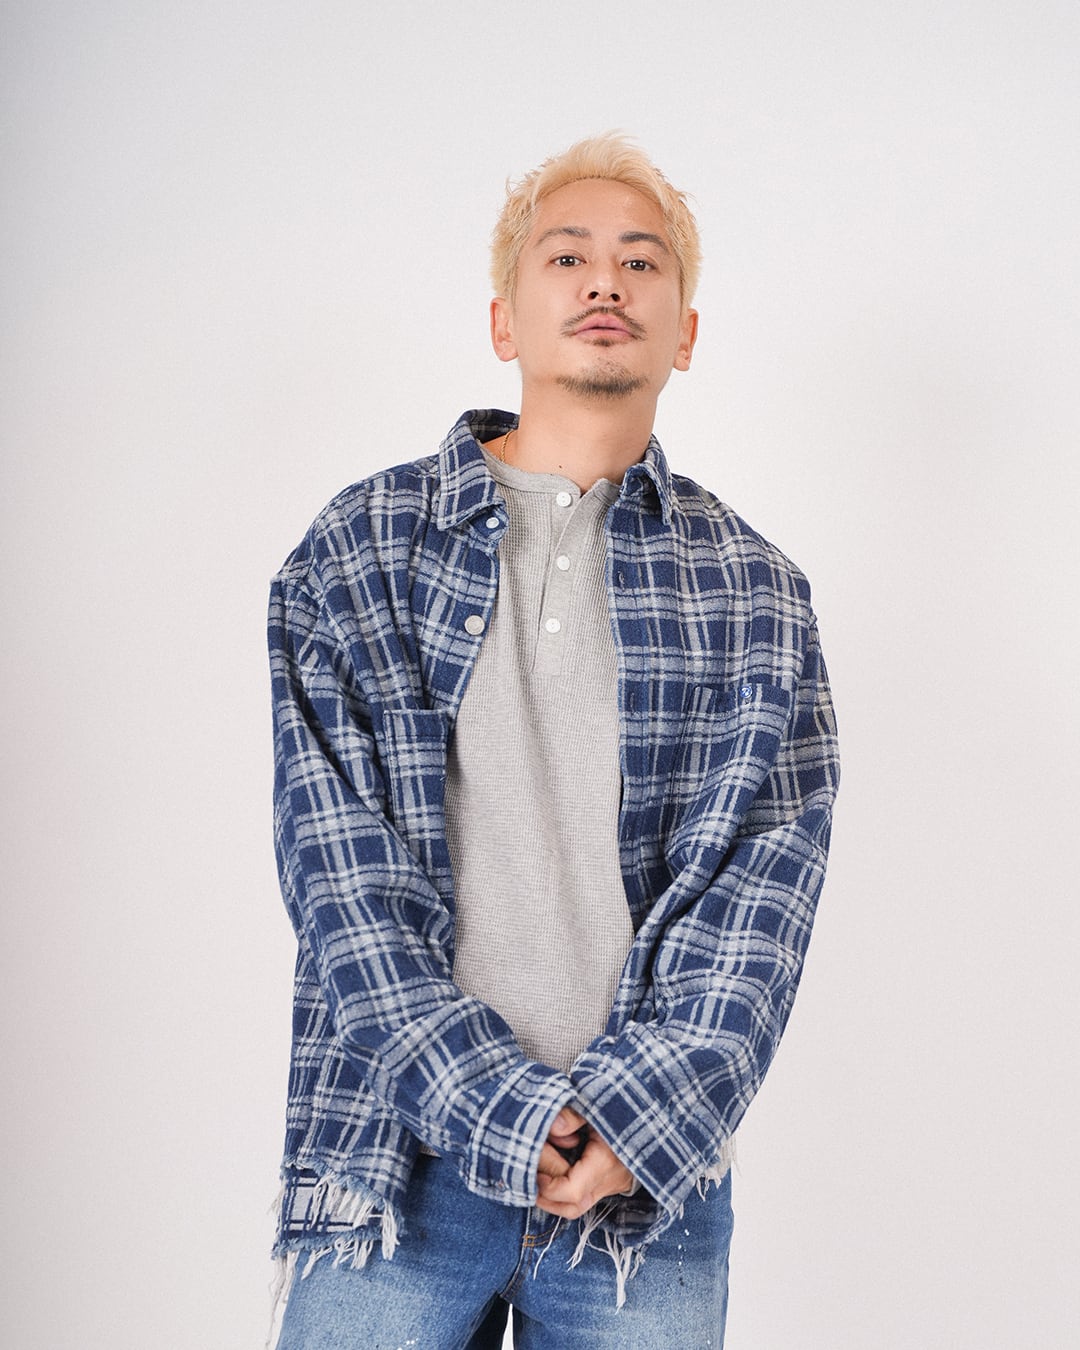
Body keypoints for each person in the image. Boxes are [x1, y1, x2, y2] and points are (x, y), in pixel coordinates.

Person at [267, 133, 840, 1349]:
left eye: (642, 261)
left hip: (640, 1183)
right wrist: (496, 1109)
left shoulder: (755, 592)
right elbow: (338, 876)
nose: (604, 281)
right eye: (567, 256)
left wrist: (634, 1118)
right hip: (399, 1154)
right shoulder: (362, 547)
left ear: (684, 334)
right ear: (504, 319)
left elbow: (763, 895)